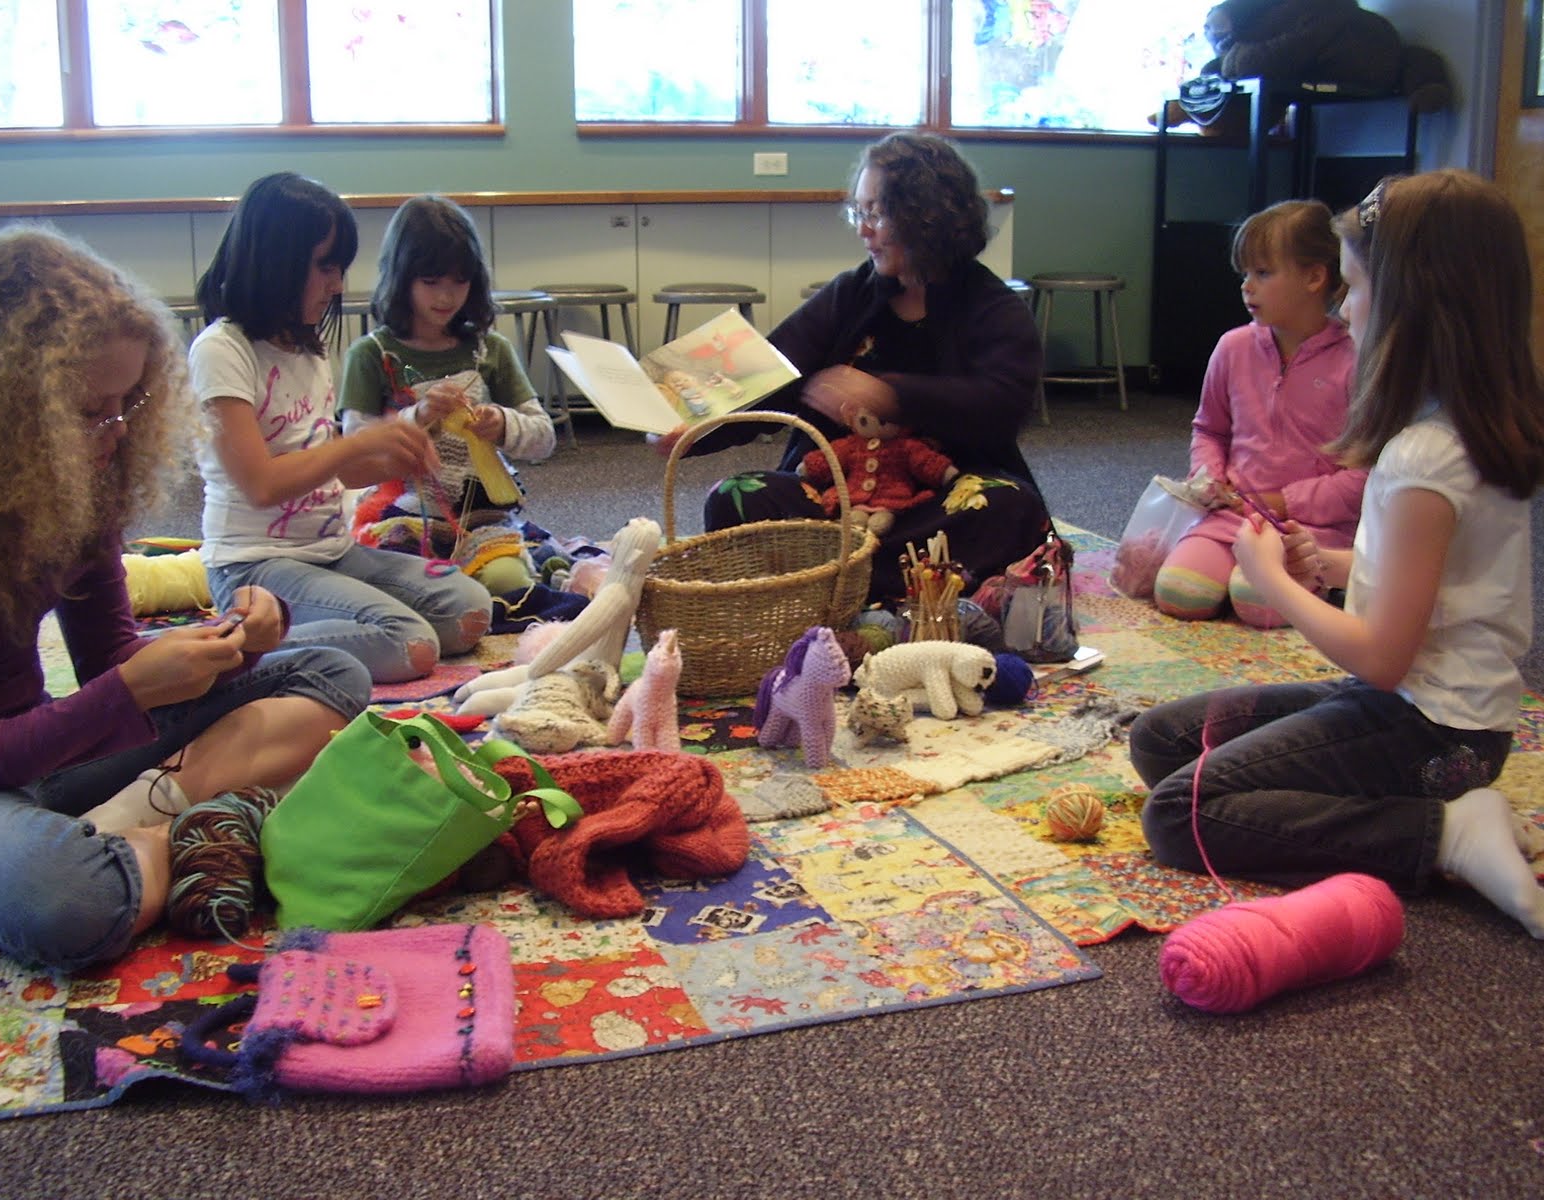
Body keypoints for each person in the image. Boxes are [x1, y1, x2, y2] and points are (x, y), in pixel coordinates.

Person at [1129, 170, 1544, 938]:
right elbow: (1439, 584)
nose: (1346, 313)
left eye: (1354, 290)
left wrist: (1273, 581)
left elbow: (1383, 657)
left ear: (1415, 304)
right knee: (1161, 739)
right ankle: (1439, 808)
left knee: (1178, 814)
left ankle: (1443, 834)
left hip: (1433, 729)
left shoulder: (1426, 457)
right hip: (1419, 715)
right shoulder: (1468, 433)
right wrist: (1337, 566)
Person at [0, 226, 372, 970]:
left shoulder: (78, 480)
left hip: (35, 758)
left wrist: (228, 646)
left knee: (332, 673)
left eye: (126, 406)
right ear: (6, 410)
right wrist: (126, 691)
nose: (114, 434)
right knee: (65, 901)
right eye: (88, 412)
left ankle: (144, 824)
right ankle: (198, 829)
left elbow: (109, 656)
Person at [660, 132, 1050, 604]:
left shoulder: (992, 307)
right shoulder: (851, 294)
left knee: (1012, 507)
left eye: (876, 214)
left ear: (926, 218)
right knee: (735, 496)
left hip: (937, 499)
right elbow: (768, 371)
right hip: (835, 498)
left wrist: (891, 395)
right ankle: (894, 585)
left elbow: (1004, 405)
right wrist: (690, 425)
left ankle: (832, 586)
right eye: (859, 212)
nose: (863, 230)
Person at [190, 173, 493, 684]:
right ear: (277, 262)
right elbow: (261, 485)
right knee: (410, 644)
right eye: (326, 266)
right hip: (252, 566)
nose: (337, 284)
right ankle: (226, 646)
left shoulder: (305, 347)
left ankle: (309, 626)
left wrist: (392, 456)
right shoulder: (222, 349)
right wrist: (360, 442)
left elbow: (329, 474)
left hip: (331, 551)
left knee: (469, 611)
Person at [1154, 198, 1363, 627]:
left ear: (1314, 277)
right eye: (1244, 274)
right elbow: (1209, 429)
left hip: (1309, 533)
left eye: (1263, 273)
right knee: (1178, 594)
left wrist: (1284, 502)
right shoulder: (1233, 347)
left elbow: (1364, 476)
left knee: (1261, 605)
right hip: (1230, 518)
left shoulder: (1354, 360)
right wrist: (1209, 477)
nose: (1247, 286)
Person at [337, 195, 555, 591]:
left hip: (484, 517)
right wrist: (416, 418)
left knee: (508, 582)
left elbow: (544, 436)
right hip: (402, 511)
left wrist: (503, 424)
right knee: (391, 583)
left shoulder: (491, 350)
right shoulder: (371, 354)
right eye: (431, 282)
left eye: (459, 282)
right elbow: (353, 450)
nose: (445, 297)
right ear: (401, 279)